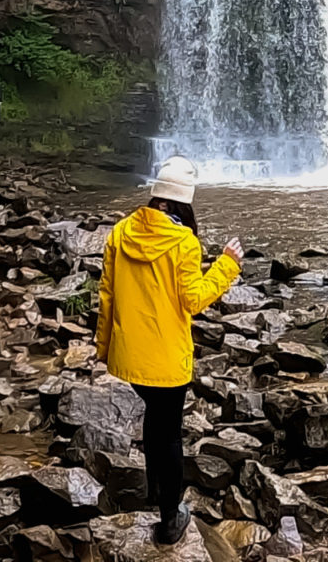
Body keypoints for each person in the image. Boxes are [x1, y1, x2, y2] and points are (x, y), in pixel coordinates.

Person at [95, 156, 243, 545]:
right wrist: (227, 265)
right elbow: (193, 300)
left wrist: (104, 348)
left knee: (155, 421)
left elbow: (107, 295)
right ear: (183, 202)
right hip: (167, 360)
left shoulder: (121, 232)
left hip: (129, 356)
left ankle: (154, 492)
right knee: (170, 435)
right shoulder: (183, 243)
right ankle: (169, 518)